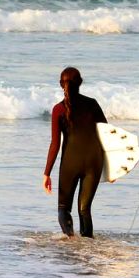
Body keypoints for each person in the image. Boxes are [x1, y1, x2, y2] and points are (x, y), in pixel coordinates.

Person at [42, 67, 107, 238]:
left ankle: (70, 242)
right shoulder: (92, 104)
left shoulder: (58, 110)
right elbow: (108, 135)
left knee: (64, 209)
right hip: (94, 162)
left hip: (70, 164)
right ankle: (88, 249)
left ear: (60, 84)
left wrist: (47, 173)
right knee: (84, 210)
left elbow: (55, 144)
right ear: (80, 83)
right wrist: (113, 168)